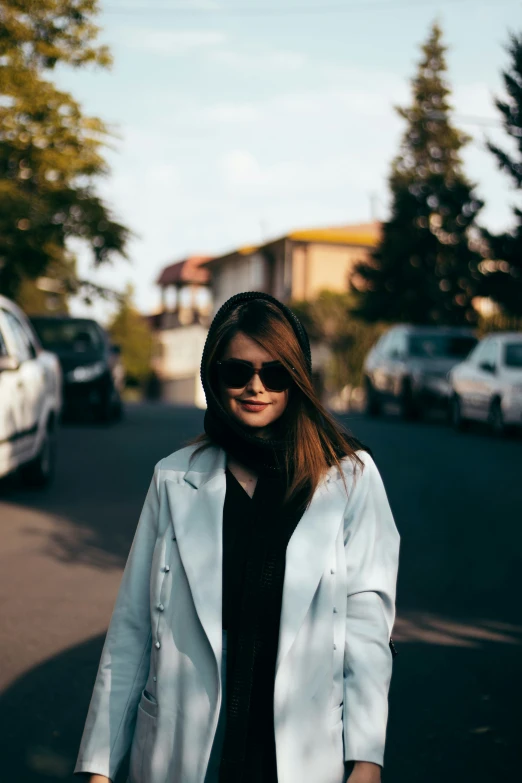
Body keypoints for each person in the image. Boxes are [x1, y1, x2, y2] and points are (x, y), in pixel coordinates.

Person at [75, 292, 400, 783]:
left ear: (298, 379)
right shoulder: (173, 477)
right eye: (237, 372)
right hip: (188, 748)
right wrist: (99, 764)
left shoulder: (350, 478)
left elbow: (368, 627)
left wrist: (367, 757)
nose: (255, 387)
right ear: (213, 375)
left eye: (275, 374)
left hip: (299, 751)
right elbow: (133, 628)